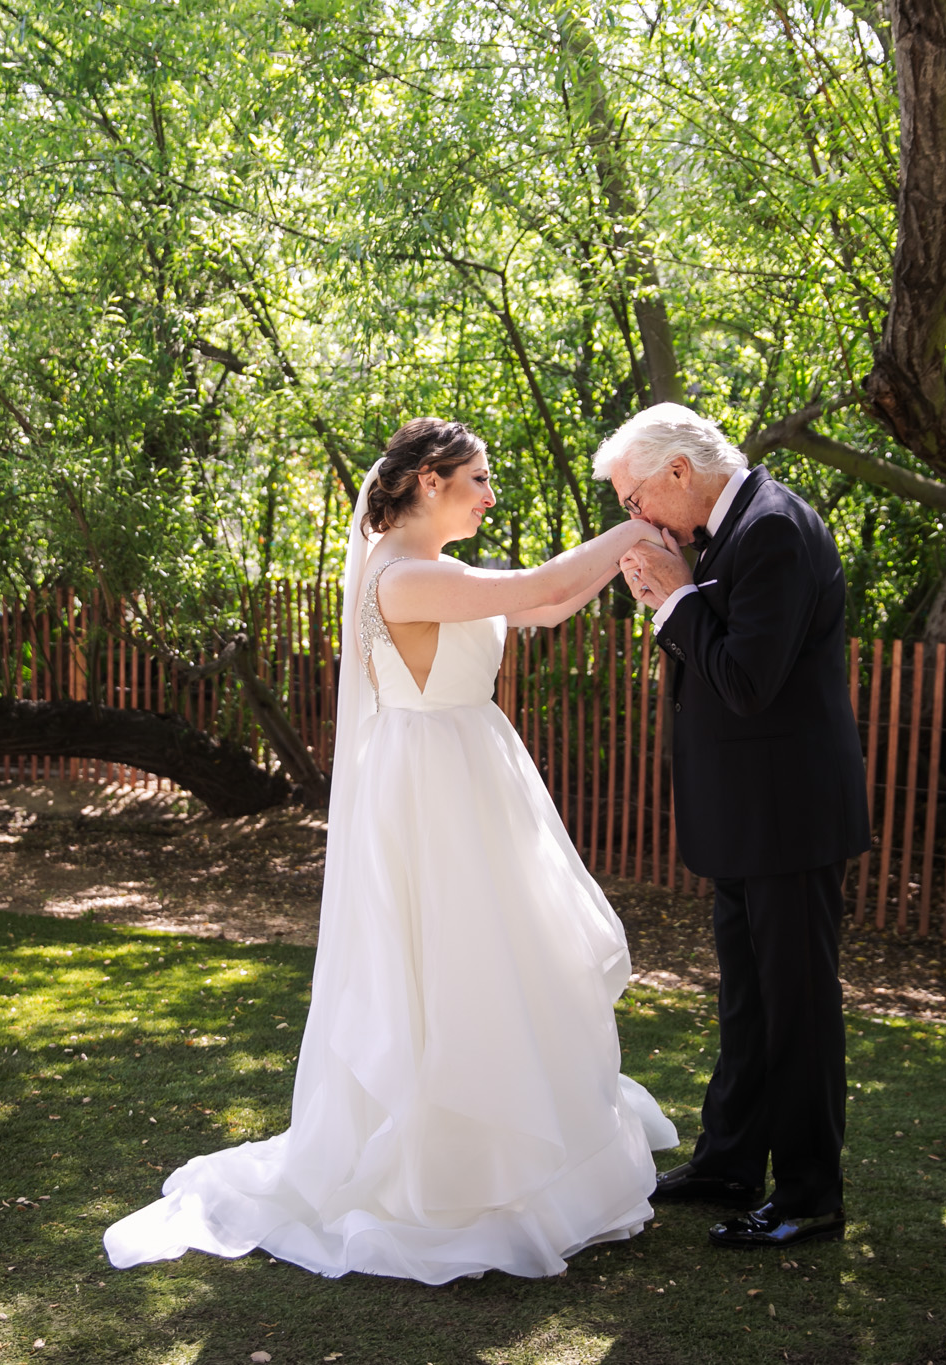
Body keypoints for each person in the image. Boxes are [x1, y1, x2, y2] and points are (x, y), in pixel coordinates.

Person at [103, 417, 678, 1283]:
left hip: (471, 772)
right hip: (434, 793)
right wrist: (636, 527)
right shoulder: (402, 579)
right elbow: (545, 578)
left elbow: (550, 602)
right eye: (479, 479)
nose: (490, 496)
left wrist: (629, 570)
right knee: (448, 966)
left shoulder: (436, 572)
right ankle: (448, 1167)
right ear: (430, 480)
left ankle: (513, 1142)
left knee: (501, 961)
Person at [602, 402, 870, 1251]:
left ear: (678, 472)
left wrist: (675, 601)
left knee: (797, 1009)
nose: (633, 517)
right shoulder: (729, 532)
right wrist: (675, 597)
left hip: (788, 817)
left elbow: (747, 681)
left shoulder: (775, 531)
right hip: (748, 816)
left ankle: (809, 1194)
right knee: (748, 1003)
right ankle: (728, 1161)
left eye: (634, 497)